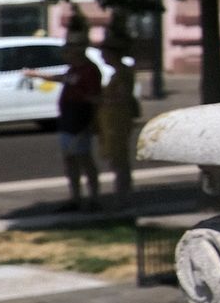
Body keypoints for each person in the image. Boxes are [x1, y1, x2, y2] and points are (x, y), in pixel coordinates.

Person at [26, 47, 104, 210]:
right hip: (67, 118)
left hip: (80, 119)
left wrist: (92, 122)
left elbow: (95, 99)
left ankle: (95, 198)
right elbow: (60, 78)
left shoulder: (89, 70)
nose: (64, 56)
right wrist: (37, 74)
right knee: (69, 159)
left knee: (84, 158)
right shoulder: (72, 69)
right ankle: (75, 198)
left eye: (67, 53)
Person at [95, 35, 141, 204]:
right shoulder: (119, 72)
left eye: (104, 53)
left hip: (118, 120)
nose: (102, 56)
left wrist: (99, 99)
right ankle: (122, 193)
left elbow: (122, 97)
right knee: (117, 159)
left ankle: (123, 196)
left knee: (119, 159)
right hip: (112, 119)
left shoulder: (122, 73)